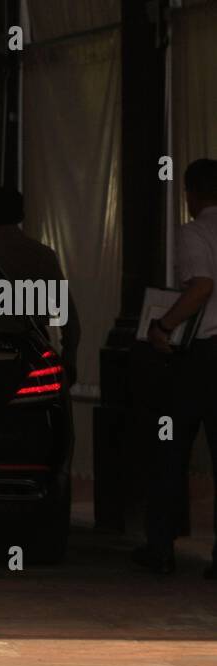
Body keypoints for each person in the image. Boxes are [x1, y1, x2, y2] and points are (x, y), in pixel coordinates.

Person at [134, 158, 217, 576]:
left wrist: (163, 325)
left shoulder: (194, 232)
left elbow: (202, 285)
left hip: (201, 357)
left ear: (192, 193)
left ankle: (161, 546)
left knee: (170, 450)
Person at [0, 187, 82, 388]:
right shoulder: (43, 256)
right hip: (34, 350)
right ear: (21, 215)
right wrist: (68, 361)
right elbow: (70, 322)